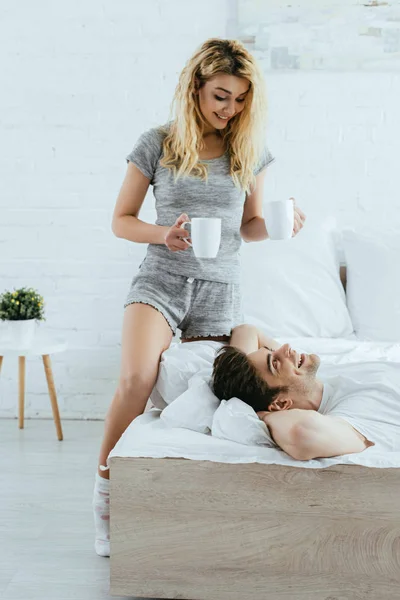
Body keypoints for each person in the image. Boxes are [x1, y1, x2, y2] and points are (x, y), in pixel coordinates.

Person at [92, 38, 306, 557]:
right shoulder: (158, 143)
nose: (230, 110)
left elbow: (249, 227)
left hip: (220, 290)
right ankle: (105, 495)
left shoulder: (248, 150)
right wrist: (163, 233)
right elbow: (120, 220)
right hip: (160, 280)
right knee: (137, 379)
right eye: (220, 97)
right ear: (196, 88)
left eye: (239, 100)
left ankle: (187, 509)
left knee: (209, 394)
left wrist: (283, 228)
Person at [211, 323, 398, 460]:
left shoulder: (311, 377)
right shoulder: (353, 414)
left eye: (271, 351)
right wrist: (261, 416)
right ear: (280, 404)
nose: (285, 348)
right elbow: (303, 434)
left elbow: (247, 331)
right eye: (275, 363)